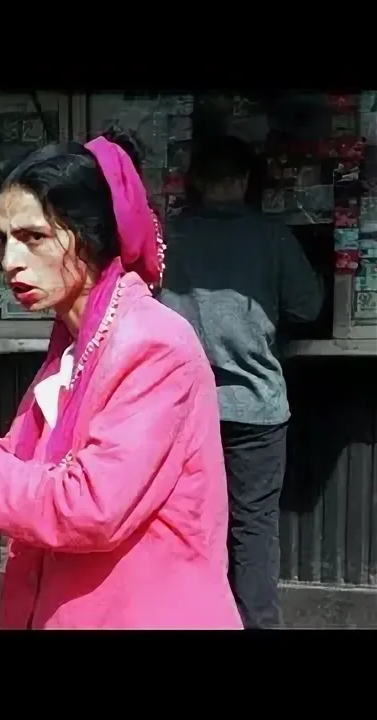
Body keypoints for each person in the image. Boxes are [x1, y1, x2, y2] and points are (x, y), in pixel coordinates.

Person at [0, 129, 243, 630]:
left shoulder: (153, 344)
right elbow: (19, 472)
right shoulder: (76, 344)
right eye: (2, 240)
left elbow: (89, 507)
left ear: (91, 235)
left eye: (34, 237)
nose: (10, 262)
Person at [159, 134, 324, 629]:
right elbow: (307, 306)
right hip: (256, 410)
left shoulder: (170, 238)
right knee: (253, 531)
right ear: (246, 180)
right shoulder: (271, 237)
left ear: (196, 182)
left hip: (183, 411)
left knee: (187, 525)